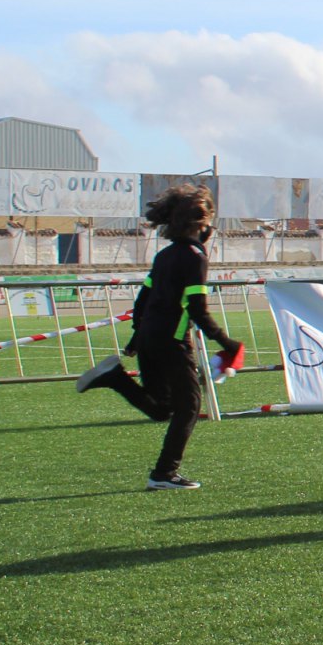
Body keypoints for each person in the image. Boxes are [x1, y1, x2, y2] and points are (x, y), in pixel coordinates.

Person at [76, 182, 244, 490]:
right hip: (171, 342)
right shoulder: (195, 256)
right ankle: (164, 473)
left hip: (150, 338)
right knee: (190, 406)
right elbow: (197, 309)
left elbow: (143, 300)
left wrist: (136, 337)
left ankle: (114, 377)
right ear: (202, 222)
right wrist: (228, 343)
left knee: (161, 408)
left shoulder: (166, 255)